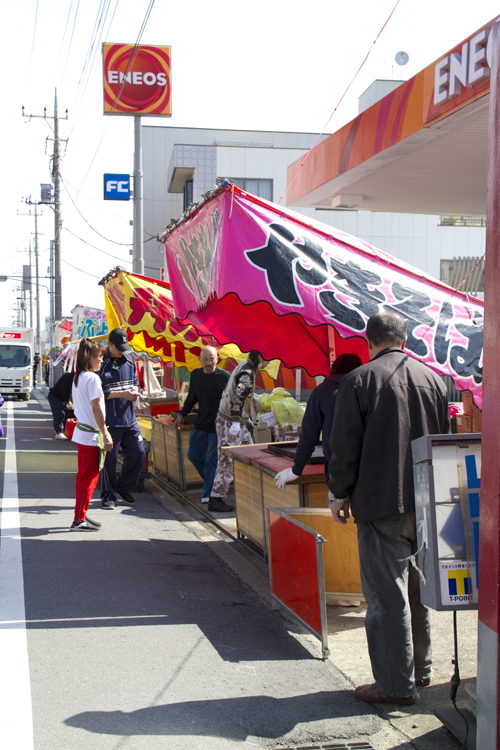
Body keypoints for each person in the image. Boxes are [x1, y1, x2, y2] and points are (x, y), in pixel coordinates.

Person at [327, 312, 450, 705]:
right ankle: (421, 670)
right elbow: (445, 441)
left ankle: (395, 685)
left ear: (369, 341)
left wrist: (339, 493)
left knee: (386, 597)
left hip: (381, 503)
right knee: (418, 591)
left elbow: (344, 447)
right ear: (405, 338)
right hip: (427, 502)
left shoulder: (359, 380)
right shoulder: (434, 380)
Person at [274, 353, 362, 488]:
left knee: (336, 506)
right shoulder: (367, 390)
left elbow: (309, 436)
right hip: (367, 468)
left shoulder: (321, 391)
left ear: (333, 371)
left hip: (336, 470)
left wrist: (296, 470)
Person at [209, 350, 268, 513]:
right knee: (226, 461)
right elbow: (237, 397)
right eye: (268, 360)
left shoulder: (245, 366)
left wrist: (244, 417)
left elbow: (234, 392)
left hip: (234, 420)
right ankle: (216, 498)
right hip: (229, 422)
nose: (268, 364)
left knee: (250, 452)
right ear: (261, 357)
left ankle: (252, 492)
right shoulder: (248, 373)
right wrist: (236, 421)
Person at [173, 346, 230, 503]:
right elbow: (191, 398)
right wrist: (182, 415)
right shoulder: (196, 375)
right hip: (200, 423)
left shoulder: (225, 376)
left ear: (217, 358)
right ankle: (213, 483)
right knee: (193, 454)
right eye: (205, 359)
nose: (209, 362)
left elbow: (232, 402)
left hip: (217, 425)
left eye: (212, 359)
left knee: (211, 460)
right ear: (200, 359)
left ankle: (208, 494)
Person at [98, 328, 145, 509]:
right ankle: (108, 495)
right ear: (109, 344)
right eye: (118, 347)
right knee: (109, 459)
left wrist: (135, 393)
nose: (122, 350)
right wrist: (122, 394)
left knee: (138, 454)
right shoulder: (101, 363)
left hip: (130, 419)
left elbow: (135, 384)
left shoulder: (131, 362)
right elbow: (97, 394)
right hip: (110, 420)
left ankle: (123, 487)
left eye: (124, 346)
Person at [71, 338, 113, 531]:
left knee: (84, 477)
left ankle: (81, 514)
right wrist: (105, 433)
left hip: (83, 434)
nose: (101, 360)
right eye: (99, 357)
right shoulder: (92, 378)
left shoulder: (78, 376)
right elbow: (97, 408)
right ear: (90, 358)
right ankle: (79, 518)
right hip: (90, 436)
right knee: (88, 479)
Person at [47, 371, 74, 440]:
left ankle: (63, 431)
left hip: (59, 397)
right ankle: (58, 432)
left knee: (64, 414)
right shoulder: (68, 377)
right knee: (59, 414)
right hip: (55, 396)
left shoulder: (71, 378)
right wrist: (68, 402)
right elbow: (64, 390)